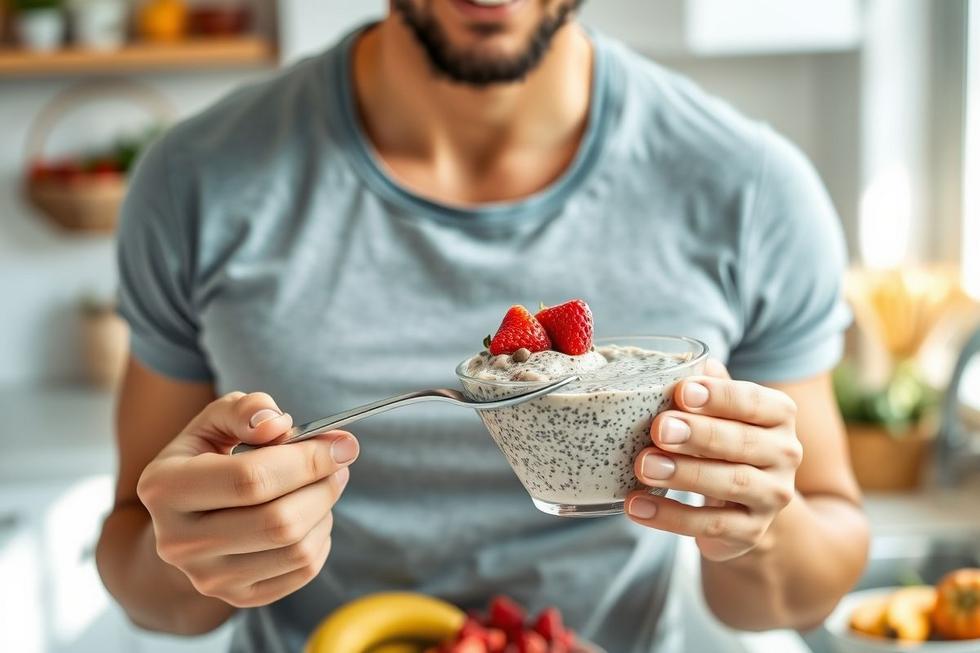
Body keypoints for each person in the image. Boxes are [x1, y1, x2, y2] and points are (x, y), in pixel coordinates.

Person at [95, 1, 870, 651]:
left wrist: (757, 527)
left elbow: (803, 587)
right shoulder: (193, 179)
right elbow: (139, 563)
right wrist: (189, 559)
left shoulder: (753, 187)